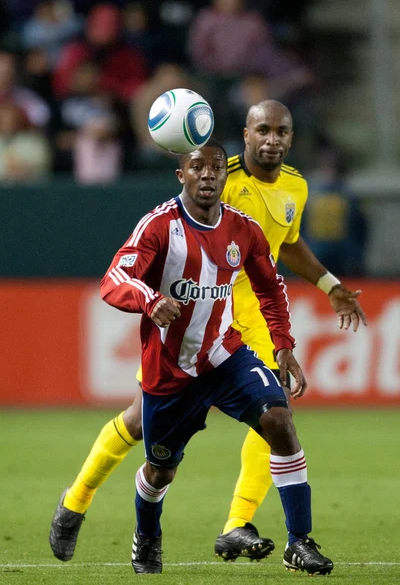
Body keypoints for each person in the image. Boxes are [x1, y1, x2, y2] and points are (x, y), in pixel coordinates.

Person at [49, 101, 366, 565]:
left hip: (238, 328)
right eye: (263, 130)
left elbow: (287, 249)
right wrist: (153, 299)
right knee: (143, 432)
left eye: (281, 131)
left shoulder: (294, 187)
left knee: (277, 415)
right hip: (183, 330)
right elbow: (129, 267)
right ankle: (75, 502)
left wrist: (327, 287)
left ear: (292, 138)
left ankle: (245, 525)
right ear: (246, 135)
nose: (272, 140)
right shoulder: (211, 187)